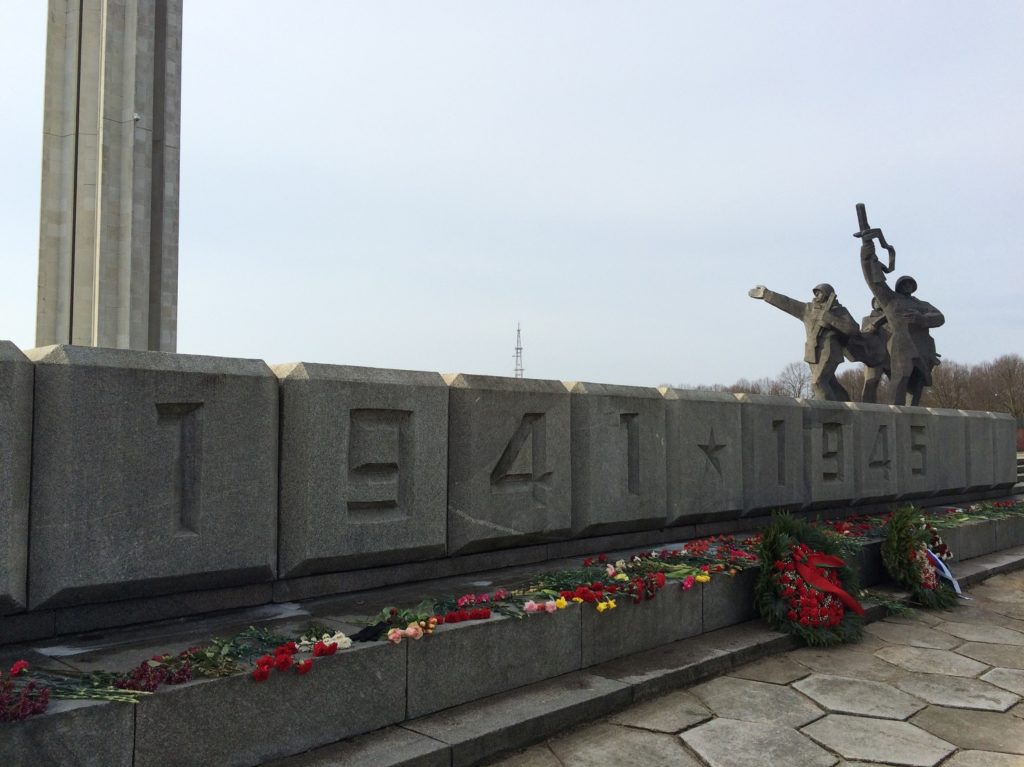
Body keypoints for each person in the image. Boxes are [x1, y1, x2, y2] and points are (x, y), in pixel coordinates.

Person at [859, 240, 944, 406]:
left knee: (917, 382)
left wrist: (922, 318)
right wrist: (866, 253)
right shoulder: (890, 299)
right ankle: (894, 411)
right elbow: (873, 280)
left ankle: (911, 415)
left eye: (910, 284)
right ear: (898, 286)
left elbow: (940, 317)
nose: (907, 286)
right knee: (902, 376)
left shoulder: (921, 304)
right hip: (899, 345)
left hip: (921, 348)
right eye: (904, 283)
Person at [748, 283, 859, 401]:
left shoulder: (839, 311)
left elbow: (853, 329)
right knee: (830, 383)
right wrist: (767, 294)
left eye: (819, 292)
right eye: (815, 292)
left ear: (827, 294)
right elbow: (787, 303)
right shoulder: (808, 309)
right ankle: (846, 406)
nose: (816, 295)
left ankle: (829, 414)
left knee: (818, 382)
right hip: (813, 352)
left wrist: (830, 319)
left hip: (830, 351)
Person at [858, 297, 891, 403]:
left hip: (892, 357)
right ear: (873, 303)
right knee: (870, 383)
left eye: (881, 300)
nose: (879, 303)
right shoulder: (867, 319)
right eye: (877, 301)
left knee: (898, 386)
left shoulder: (893, 319)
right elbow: (864, 334)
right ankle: (866, 410)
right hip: (874, 358)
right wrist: (878, 323)